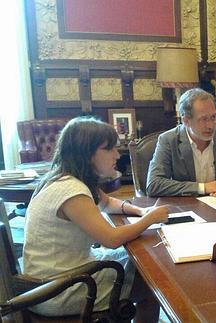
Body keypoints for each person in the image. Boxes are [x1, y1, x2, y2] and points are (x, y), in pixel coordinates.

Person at [23, 116, 169, 321]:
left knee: (143, 263)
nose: (117, 155)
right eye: (109, 149)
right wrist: (150, 219)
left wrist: (139, 211)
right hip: (58, 290)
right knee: (153, 280)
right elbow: (110, 239)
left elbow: (108, 203)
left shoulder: (64, 178)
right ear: (87, 153)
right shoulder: (71, 190)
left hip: (54, 276)